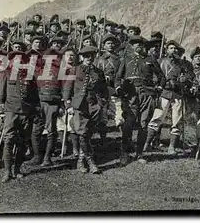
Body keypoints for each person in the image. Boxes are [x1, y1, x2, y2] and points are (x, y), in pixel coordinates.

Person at [115, 36, 165, 165]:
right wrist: (118, 87)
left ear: (144, 46)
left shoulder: (150, 60)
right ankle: (125, 153)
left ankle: (139, 153)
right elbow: (118, 77)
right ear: (131, 46)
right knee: (128, 123)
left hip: (147, 94)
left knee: (144, 124)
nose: (138, 46)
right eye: (135, 44)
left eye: (140, 44)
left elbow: (161, 77)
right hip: (130, 93)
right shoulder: (126, 59)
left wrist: (158, 87)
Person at [63, 46, 108, 174]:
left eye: (92, 56)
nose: (89, 58)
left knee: (87, 134)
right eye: (87, 56)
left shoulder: (98, 72)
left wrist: (102, 103)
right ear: (82, 57)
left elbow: (104, 90)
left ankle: (80, 161)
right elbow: (67, 88)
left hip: (93, 106)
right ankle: (91, 161)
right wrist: (68, 105)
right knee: (82, 133)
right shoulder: (75, 70)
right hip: (79, 105)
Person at [0, 51, 40, 182]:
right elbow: (0, 93)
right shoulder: (6, 74)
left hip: (25, 112)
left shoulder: (29, 76)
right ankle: (7, 171)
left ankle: (17, 169)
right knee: (9, 140)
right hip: (11, 111)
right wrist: (0, 106)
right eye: (15, 60)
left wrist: (34, 109)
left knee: (22, 142)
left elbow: (34, 95)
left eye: (21, 60)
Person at [147, 40, 194, 155]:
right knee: (157, 118)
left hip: (178, 94)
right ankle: (146, 144)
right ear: (166, 50)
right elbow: (153, 75)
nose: (174, 50)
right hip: (164, 92)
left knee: (177, 120)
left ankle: (171, 147)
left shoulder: (183, 64)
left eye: (176, 49)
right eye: (171, 48)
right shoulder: (159, 61)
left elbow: (190, 77)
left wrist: (185, 80)